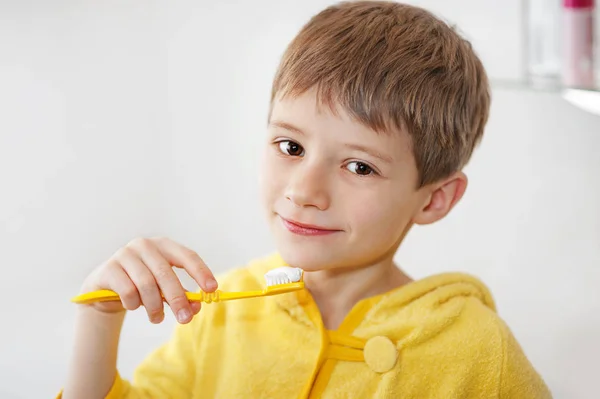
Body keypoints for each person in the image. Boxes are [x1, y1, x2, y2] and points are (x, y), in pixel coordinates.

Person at [59, 1, 552, 398]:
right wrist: (98, 318)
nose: (303, 191)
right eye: (290, 147)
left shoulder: (478, 352)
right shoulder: (224, 311)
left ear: (435, 199)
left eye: (359, 166)